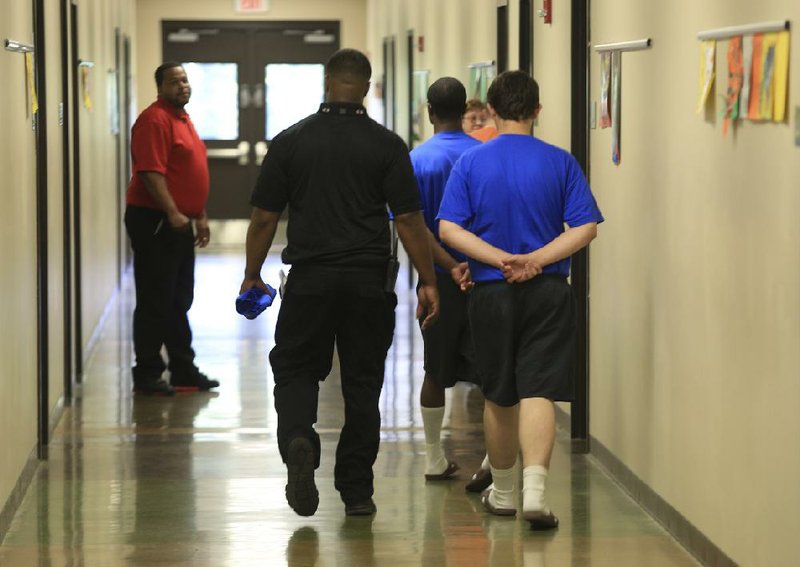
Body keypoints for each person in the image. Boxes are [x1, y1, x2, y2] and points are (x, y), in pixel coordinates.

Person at [240, 48, 439, 518]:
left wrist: (252, 273)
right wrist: (428, 280)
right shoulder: (388, 145)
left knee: (294, 369)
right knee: (363, 385)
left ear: (326, 83)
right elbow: (409, 219)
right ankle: (356, 492)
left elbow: (264, 218)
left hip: (308, 280)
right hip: (369, 282)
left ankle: (297, 440)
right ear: (366, 88)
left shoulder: (291, 142)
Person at [438, 71, 603, 530]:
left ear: (490, 111)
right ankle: (535, 493)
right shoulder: (560, 162)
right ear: (537, 111)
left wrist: (501, 259)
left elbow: (449, 228)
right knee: (539, 390)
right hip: (549, 292)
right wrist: (534, 260)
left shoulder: (471, 163)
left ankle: (505, 493)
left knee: (499, 394)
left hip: (492, 291)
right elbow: (585, 227)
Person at [125, 62, 219, 396]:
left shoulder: (183, 118)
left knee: (178, 299)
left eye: (185, 80)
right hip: (156, 221)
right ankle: (147, 373)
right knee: (155, 299)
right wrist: (173, 212)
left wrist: (199, 214)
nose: (182, 86)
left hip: (178, 220)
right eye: (174, 81)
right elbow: (151, 173)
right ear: (160, 86)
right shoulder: (154, 120)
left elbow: (188, 173)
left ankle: (183, 370)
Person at [409, 77, 481, 483]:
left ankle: (434, 457)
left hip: (436, 278)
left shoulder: (417, 160)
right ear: (464, 111)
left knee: (434, 370)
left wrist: (433, 272)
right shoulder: (484, 154)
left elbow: (412, 225)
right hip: (484, 276)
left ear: (430, 112)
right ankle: (495, 464)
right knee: (492, 372)